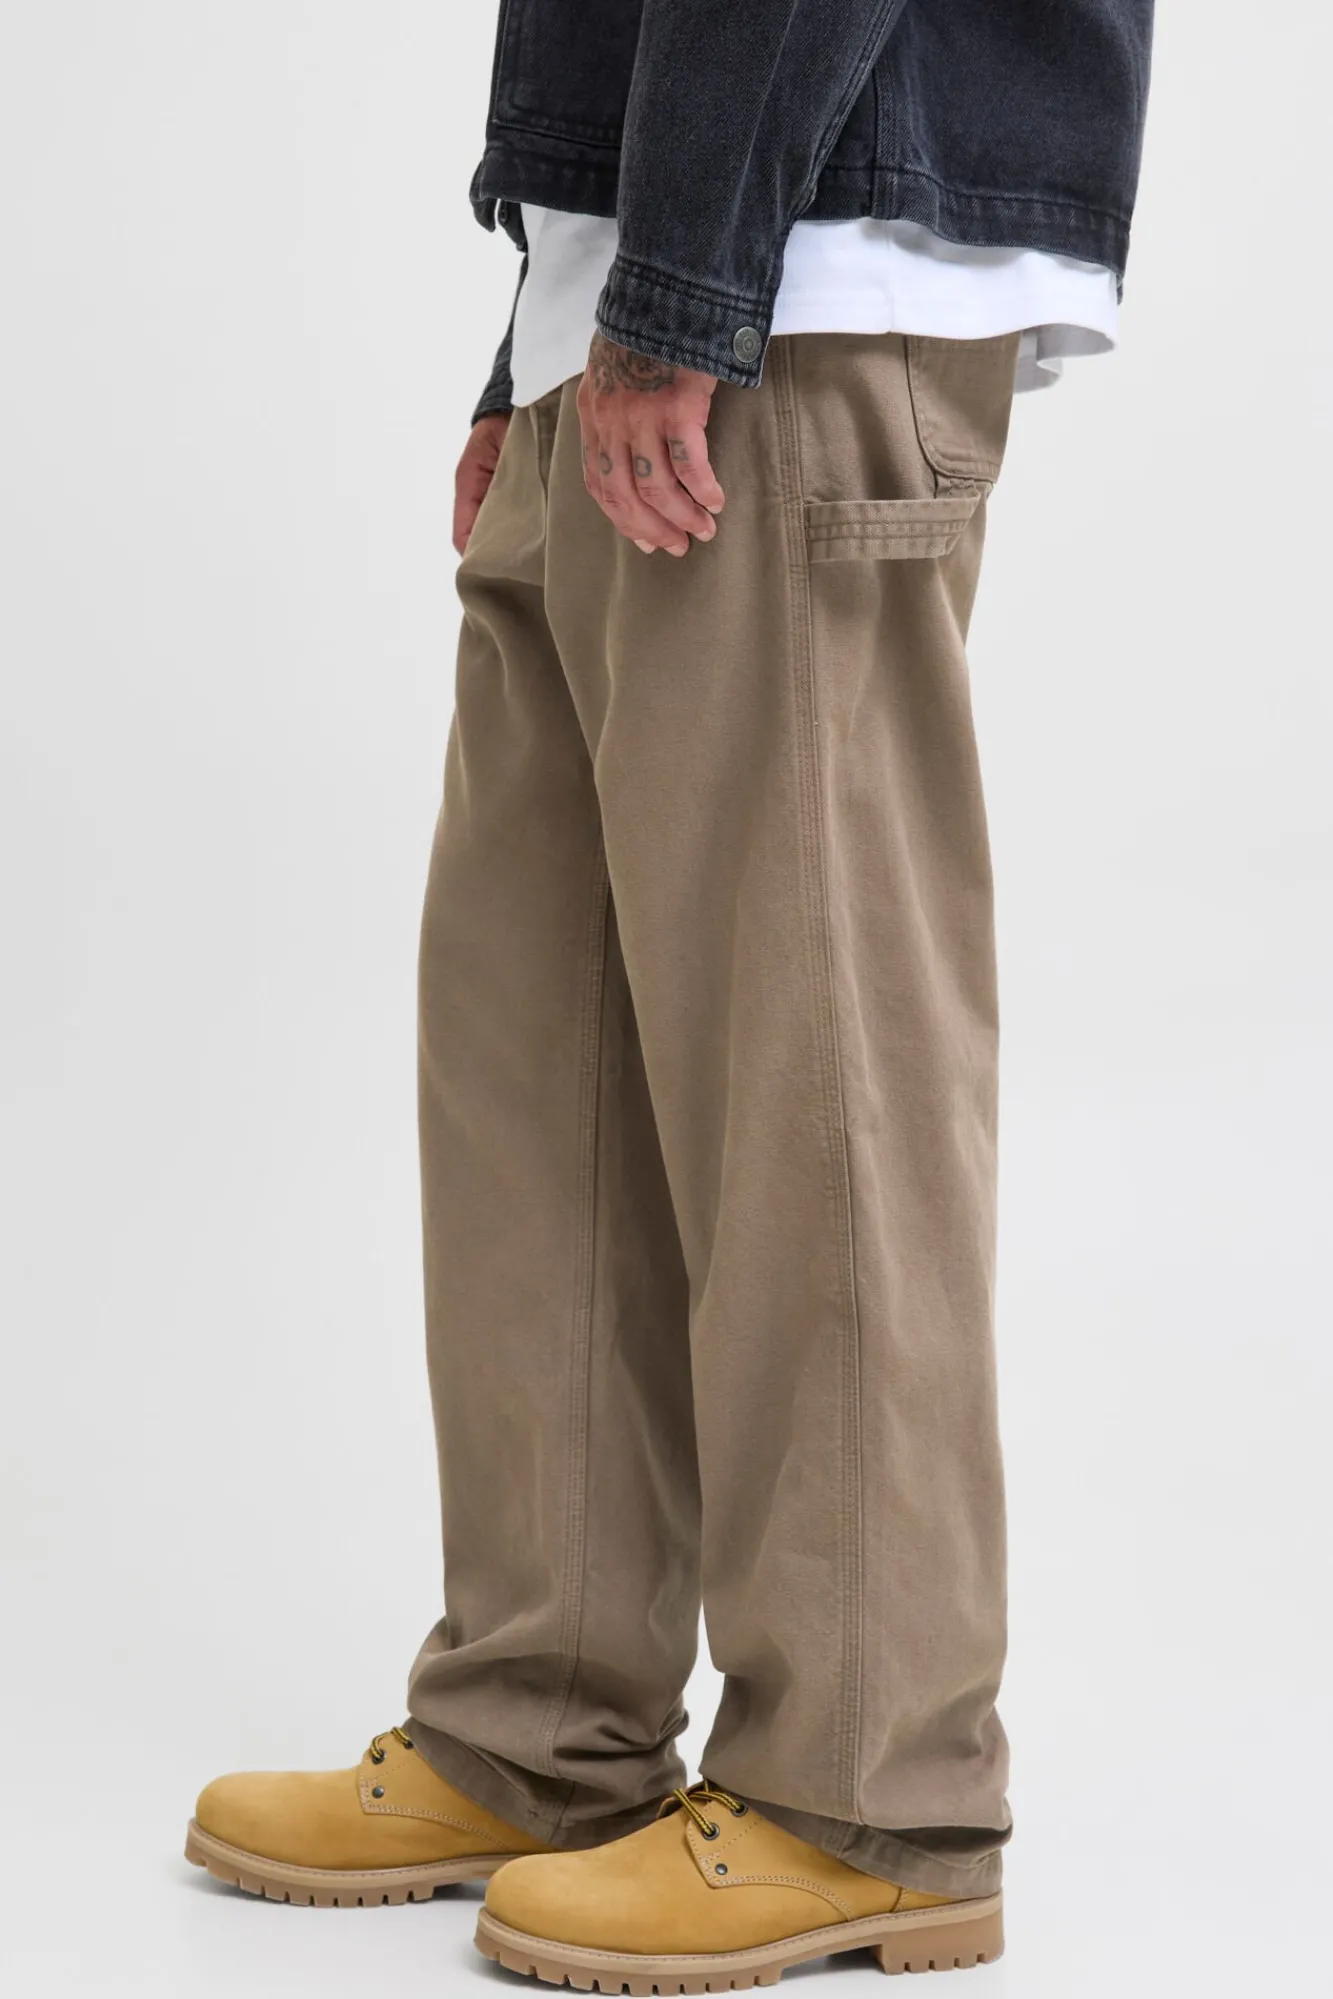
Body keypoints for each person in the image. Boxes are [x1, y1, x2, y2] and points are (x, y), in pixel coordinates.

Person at [186, 1, 1154, 1985]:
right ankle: (541, 1724)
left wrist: (687, 289)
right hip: (649, 271)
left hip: (795, 266)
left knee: (818, 1063)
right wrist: (541, 333)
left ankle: (870, 1789)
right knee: (537, 1064)